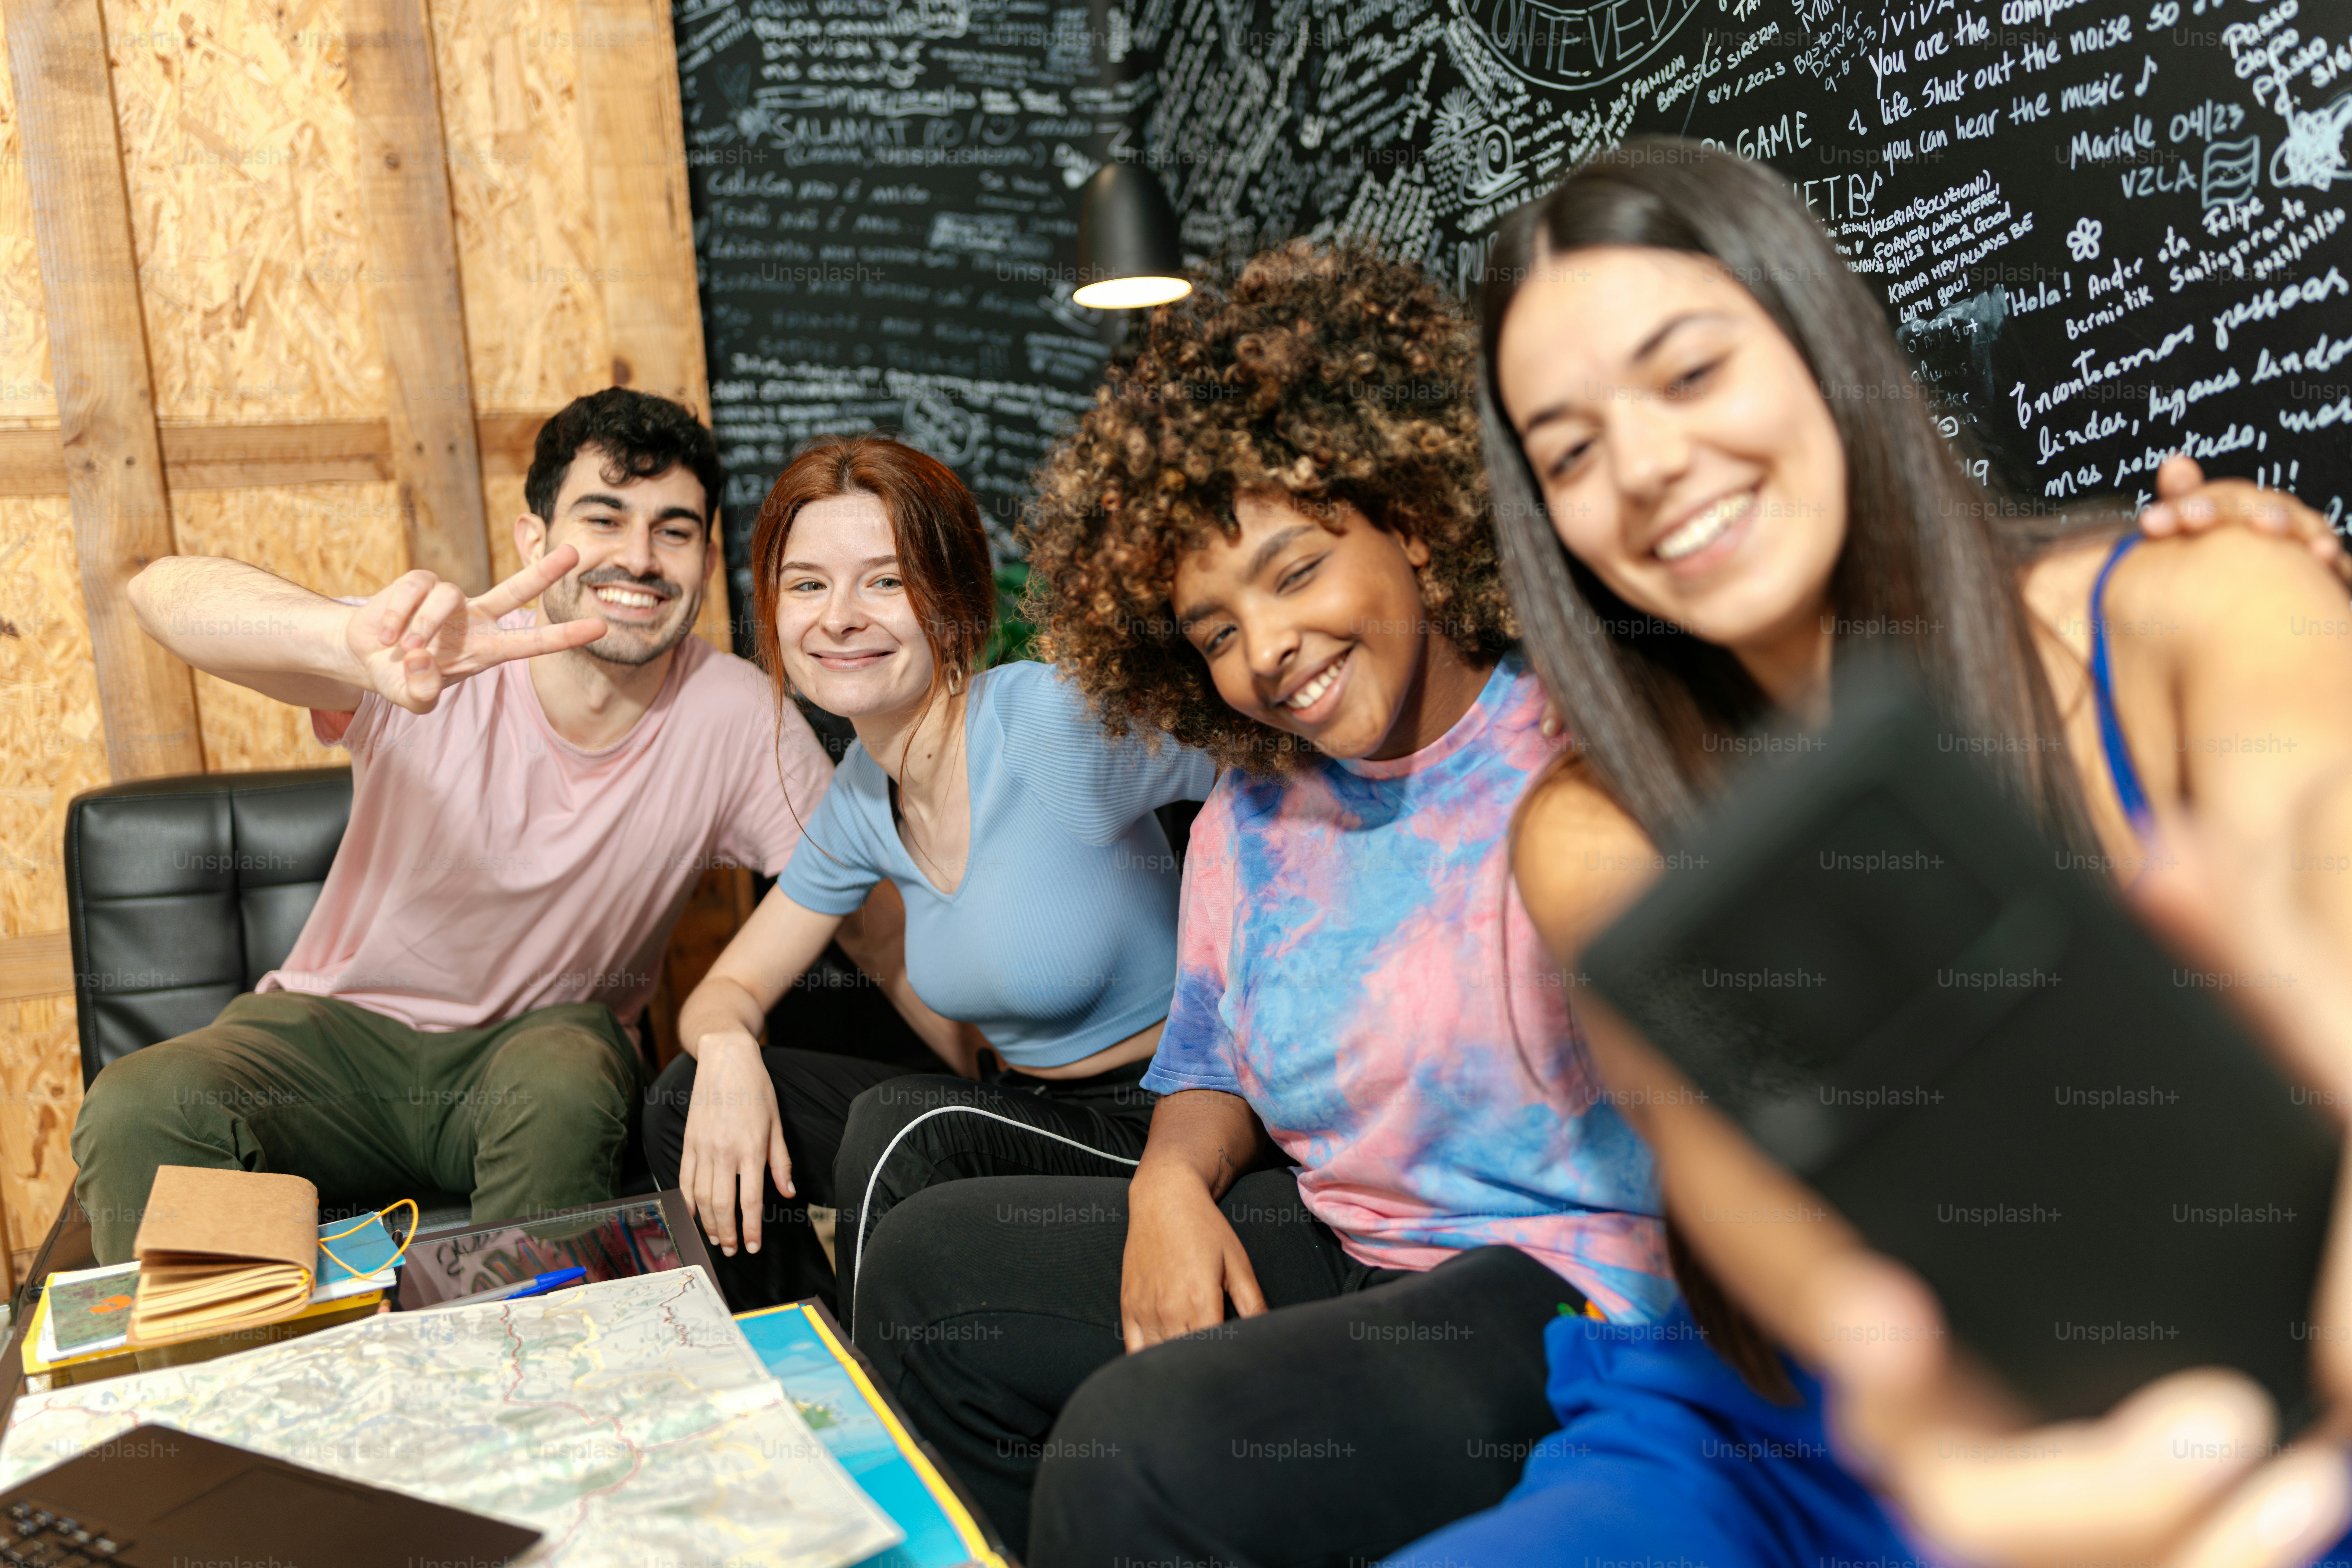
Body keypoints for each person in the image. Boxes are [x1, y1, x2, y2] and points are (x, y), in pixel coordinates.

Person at [1411, 135, 2352, 1565]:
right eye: (1574, 454)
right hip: (1807, 1433)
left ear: (1819, 336)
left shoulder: (2205, 601)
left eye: (1691, 372)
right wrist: (1923, 1391)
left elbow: (2317, 851)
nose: (1652, 467)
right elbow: (1793, 1243)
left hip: (2258, 1354)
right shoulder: (1591, 832)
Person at [846, 240, 1695, 1566]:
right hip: (1348, 1240)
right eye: (1215, 630)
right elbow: (1208, 1058)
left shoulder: (1586, 754)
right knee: (930, 1269)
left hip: (1571, 1288)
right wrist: (1169, 1190)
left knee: (1141, 1450)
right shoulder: (1252, 816)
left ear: (1411, 520)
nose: (1268, 649)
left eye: (1296, 572)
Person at [70, 389, 914, 1263]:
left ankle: (523, 1371)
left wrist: (994, 1088)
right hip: (338, 1039)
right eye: (604, 517)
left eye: (674, 530)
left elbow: (870, 921)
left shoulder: (740, 714)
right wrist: (344, 638)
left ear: (705, 559)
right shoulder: (434, 650)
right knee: (140, 1102)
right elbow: (161, 593)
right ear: (534, 540)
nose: (640, 557)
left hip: (543, 1047)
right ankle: (219, 1384)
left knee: (567, 1075)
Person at [639, 434, 1215, 1317]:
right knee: (687, 1096)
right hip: (1020, 1110)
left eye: (884, 579)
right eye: (807, 585)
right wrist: (723, 1048)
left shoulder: (1046, 723)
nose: (838, 617)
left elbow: (1266, 759)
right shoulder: (861, 798)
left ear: (951, 600)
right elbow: (728, 989)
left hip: (1163, 1120)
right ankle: (796, 1349)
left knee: (904, 1127)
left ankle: (884, 1411)